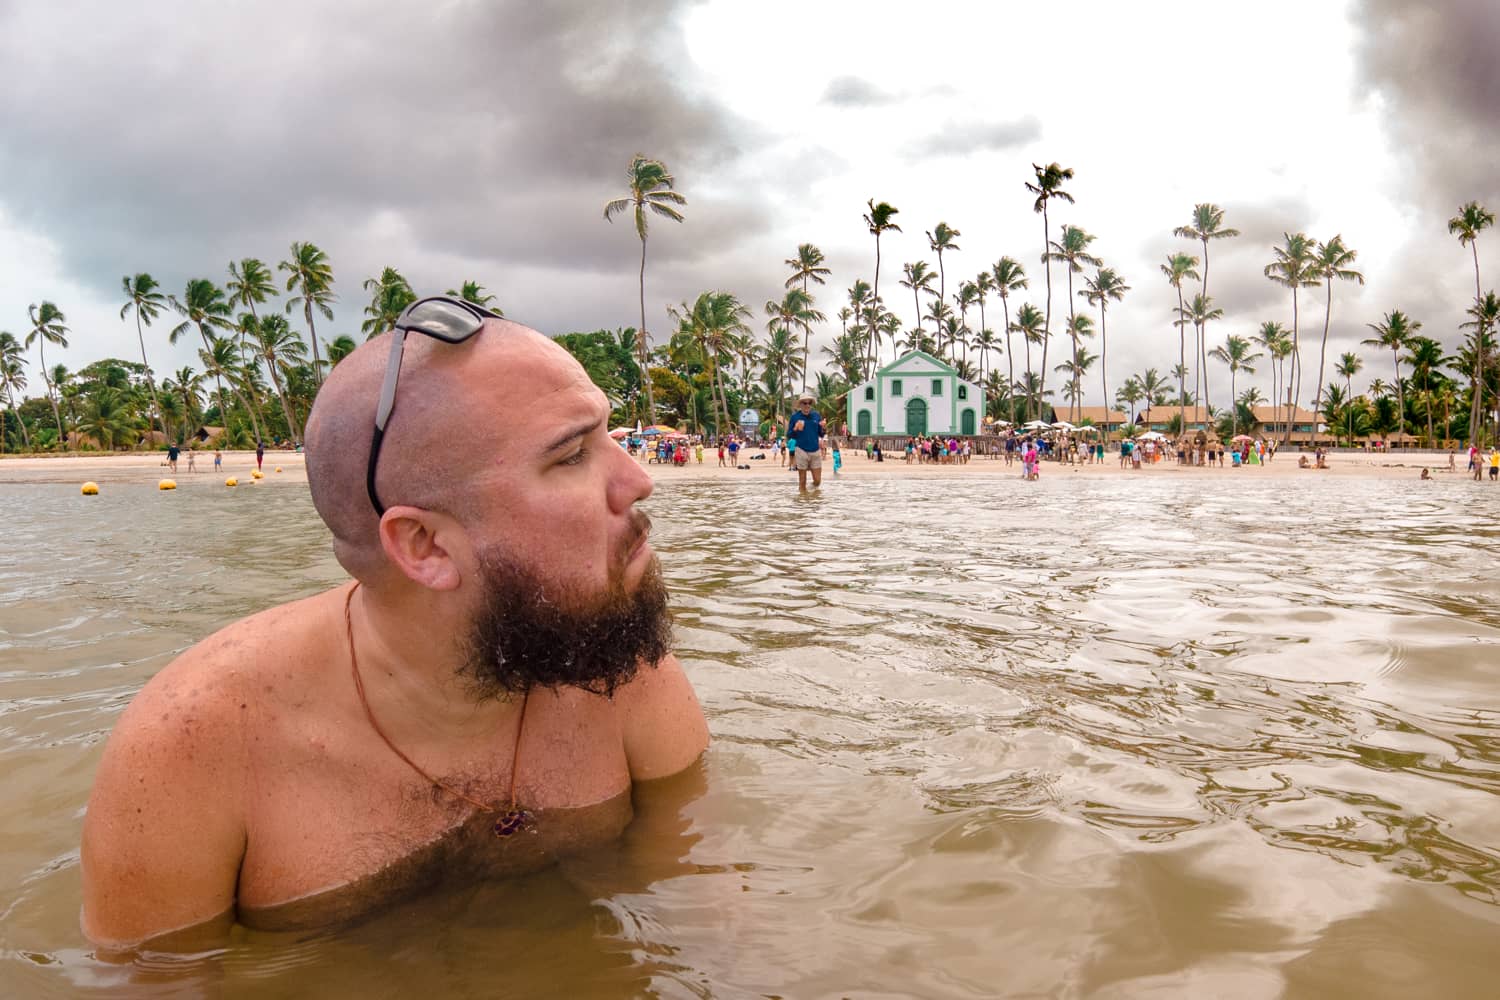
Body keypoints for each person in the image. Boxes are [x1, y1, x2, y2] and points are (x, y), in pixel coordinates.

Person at [80, 303, 709, 950]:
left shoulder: (607, 655)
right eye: (573, 454)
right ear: (424, 546)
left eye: (608, 436)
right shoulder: (193, 743)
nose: (638, 480)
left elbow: (699, 901)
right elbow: (152, 982)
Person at [785, 392, 826, 490]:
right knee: (802, 481)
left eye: (809, 403)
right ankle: (802, 503)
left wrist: (824, 428)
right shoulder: (795, 417)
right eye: (805, 403)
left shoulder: (816, 416)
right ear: (800, 404)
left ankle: (809, 497)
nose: (807, 405)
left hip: (815, 450)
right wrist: (795, 428)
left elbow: (821, 434)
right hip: (801, 450)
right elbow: (789, 435)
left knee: (817, 481)